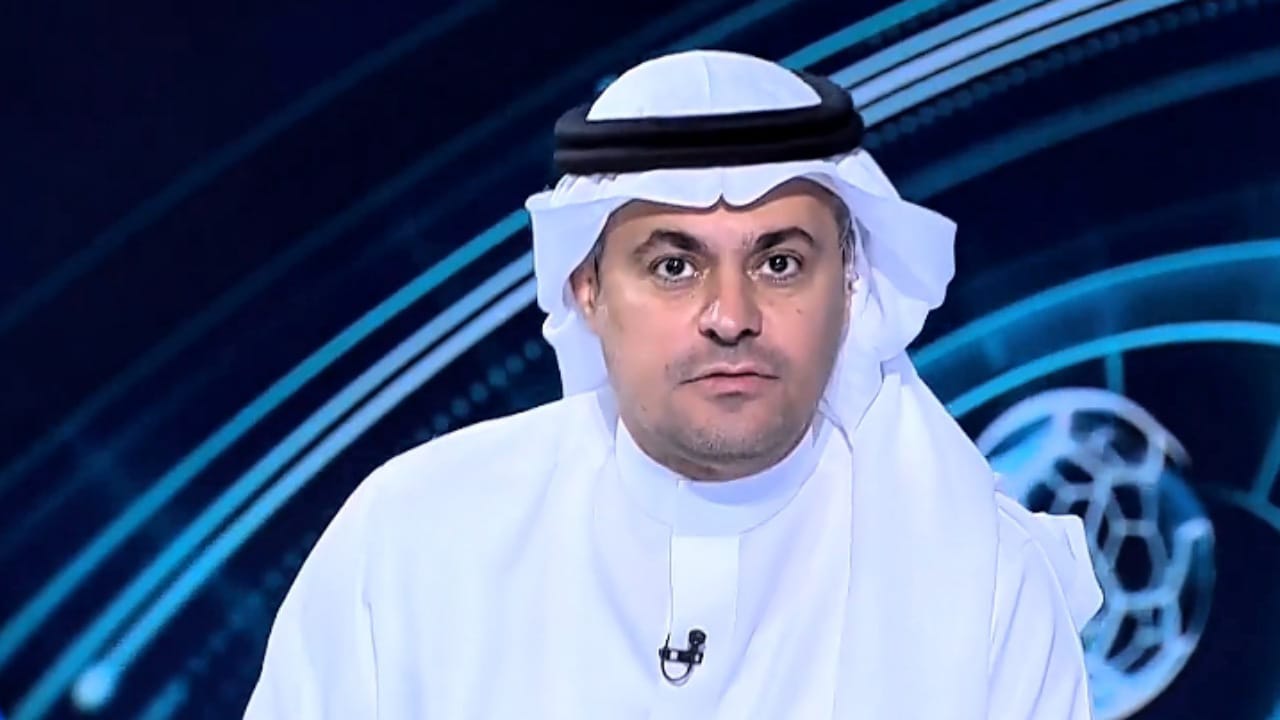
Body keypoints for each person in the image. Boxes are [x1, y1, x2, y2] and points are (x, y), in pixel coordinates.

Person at [244, 49, 1103, 719]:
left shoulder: (982, 580)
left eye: (778, 262)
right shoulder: (412, 540)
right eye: (672, 266)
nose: (731, 315)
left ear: (850, 284)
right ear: (586, 286)